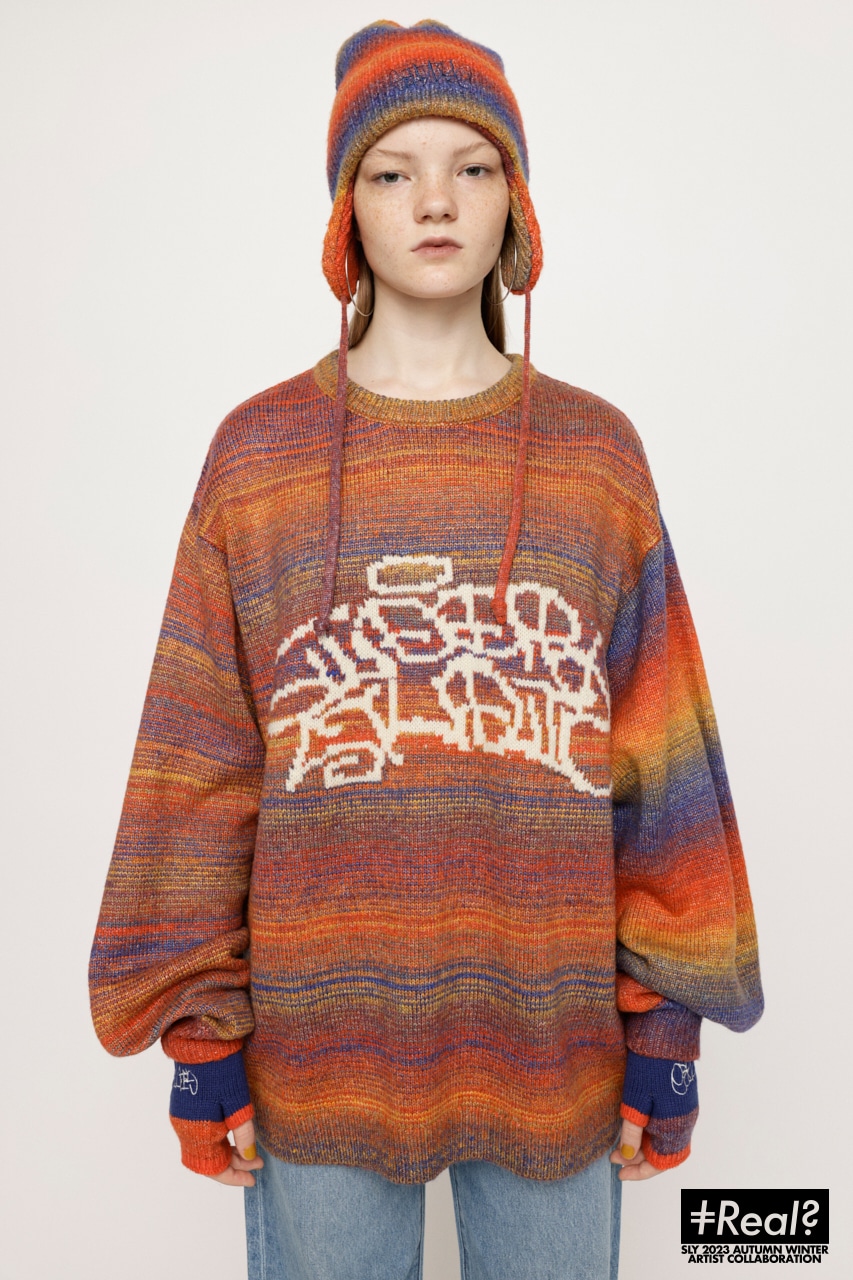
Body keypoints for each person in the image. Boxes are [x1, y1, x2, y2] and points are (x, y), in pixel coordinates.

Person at [88, 19, 764, 1279]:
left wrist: (665, 1026)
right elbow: (197, 760)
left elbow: (659, 756)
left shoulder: (595, 457)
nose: (436, 200)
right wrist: (198, 1035)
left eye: (474, 165)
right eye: (394, 170)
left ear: (516, 201)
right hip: (319, 1048)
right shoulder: (257, 459)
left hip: (552, 1043)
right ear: (348, 207)